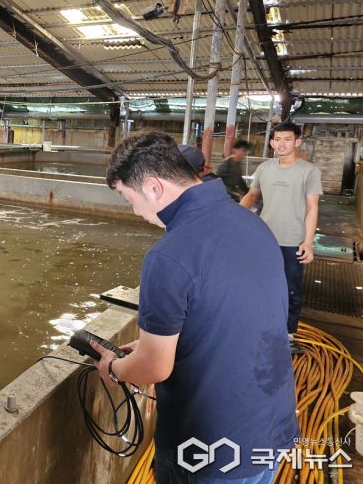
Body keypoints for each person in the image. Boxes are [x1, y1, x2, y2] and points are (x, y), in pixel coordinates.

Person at [93, 130, 298, 484]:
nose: (136, 211)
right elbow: (233, 317)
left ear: (154, 188)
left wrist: (115, 368)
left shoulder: (169, 256)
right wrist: (153, 342)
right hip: (270, 431)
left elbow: (155, 368)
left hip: (210, 451)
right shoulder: (251, 224)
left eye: (129, 199)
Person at [240, 122, 322, 340]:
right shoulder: (265, 168)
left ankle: (287, 333)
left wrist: (308, 242)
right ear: (271, 142)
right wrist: (232, 218)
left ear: (297, 142)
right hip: (264, 238)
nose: (282, 144)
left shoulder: (309, 171)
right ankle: (258, 323)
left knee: (290, 289)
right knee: (259, 282)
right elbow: (251, 196)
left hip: (292, 241)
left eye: (287, 139)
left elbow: (313, 207)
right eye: (277, 139)